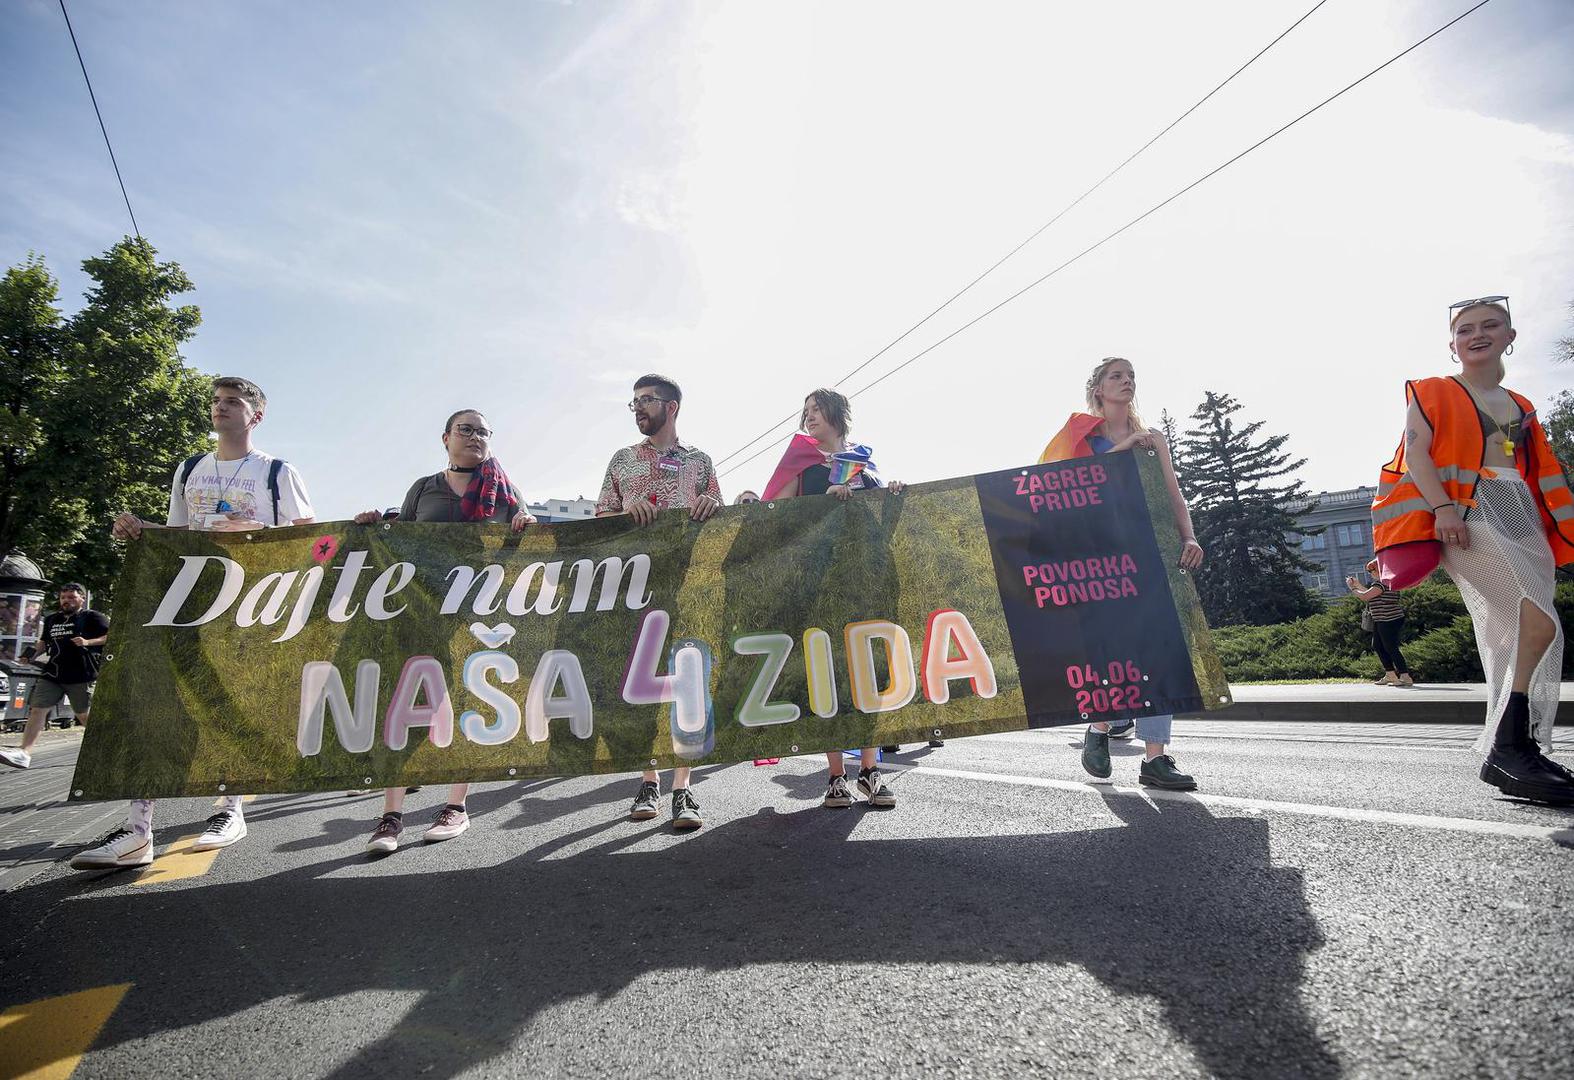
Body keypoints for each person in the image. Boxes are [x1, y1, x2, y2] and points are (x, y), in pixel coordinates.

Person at [71, 376, 315, 870]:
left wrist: (257, 532)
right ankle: (138, 830)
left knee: (232, 707)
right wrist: (139, 528)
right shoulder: (190, 469)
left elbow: (309, 536)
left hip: (251, 604)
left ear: (256, 416)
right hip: (187, 600)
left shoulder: (276, 472)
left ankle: (229, 808)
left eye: (234, 402)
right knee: (158, 704)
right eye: (217, 402)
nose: (221, 408)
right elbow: (181, 530)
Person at [1371, 297, 1573, 805]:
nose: (1477, 334)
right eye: (1465, 329)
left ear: (1510, 335)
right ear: (1453, 343)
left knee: (1517, 632)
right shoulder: (1434, 390)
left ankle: (1516, 747)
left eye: (1490, 325)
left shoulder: (1521, 404)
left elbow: (1536, 470)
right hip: (1465, 513)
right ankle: (1508, 747)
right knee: (1537, 620)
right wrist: (1442, 509)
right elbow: (1416, 451)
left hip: (1518, 512)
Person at [352, 409, 535, 855]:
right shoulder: (423, 488)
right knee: (405, 703)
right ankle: (391, 815)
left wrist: (524, 530)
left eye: (483, 431)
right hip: (422, 613)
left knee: (467, 704)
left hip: (477, 613)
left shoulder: (507, 493)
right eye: (465, 430)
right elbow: (402, 543)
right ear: (446, 438)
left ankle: (455, 806)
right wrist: (377, 526)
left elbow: (525, 549)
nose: (475, 437)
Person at [1038, 357, 1205, 791]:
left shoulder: (1153, 441)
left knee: (1162, 649)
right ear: (1098, 389)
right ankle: (1098, 730)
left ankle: (1156, 757)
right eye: (1117, 376)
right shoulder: (1080, 435)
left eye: (1131, 376)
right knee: (1112, 655)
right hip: (1096, 561)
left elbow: (1174, 493)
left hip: (1149, 552)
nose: (1127, 381)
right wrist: (1121, 448)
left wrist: (1188, 538)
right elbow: (1057, 485)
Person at [764, 388, 904, 809]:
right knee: (826, 670)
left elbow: (879, 516)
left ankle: (869, 769)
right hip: (819, 580)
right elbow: (775, 516)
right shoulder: (799, 460)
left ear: (837, 413)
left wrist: (891, 490)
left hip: (866, 576)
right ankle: (835, 776)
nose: (809, 417)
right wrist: (819, 506)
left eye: (816, 409)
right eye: (804, 411)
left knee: (868, 668)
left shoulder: (864, 457)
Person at [596, 375, 722, 830]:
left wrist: (710, 507)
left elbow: (719, 521)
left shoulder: (701, 461)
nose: (637, 408)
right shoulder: (622, 460)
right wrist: (624, 509)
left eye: (646, 400)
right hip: (632, 591)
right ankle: (648, 779)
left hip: (685, 589)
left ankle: (682, 789)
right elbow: (598, 523)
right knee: (638, 686)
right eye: (633, 402)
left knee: (687, 687)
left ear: (672, 408)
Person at [0, 584, 109, 769]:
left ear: (81, 598)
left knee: (83, 715)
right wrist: (29, 655)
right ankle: (24, 753)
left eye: (72, 597)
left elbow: (112, 636)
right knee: (37, 709)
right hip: (53, 673)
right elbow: (43, 642)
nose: (66, 601)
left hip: (81, 673)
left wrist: (88, 642)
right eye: (63, 597)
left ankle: (107, 747)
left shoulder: (92, 617)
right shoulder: (52, 619)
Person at [1347, 559, 1412, 687]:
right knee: (1378, 645)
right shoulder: (1385, 583)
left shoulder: (1382, 584)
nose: (1371, 573)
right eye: (1369, 571)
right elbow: (1371, 593)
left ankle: (1405, 676)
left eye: (1372, 570)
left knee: (1390, 647)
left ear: (1380, 570)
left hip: (1388, 619)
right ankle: (1390, 674)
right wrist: (1358, 585)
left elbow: (1365, 596)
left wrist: (1353, 588)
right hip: (1381, 619)